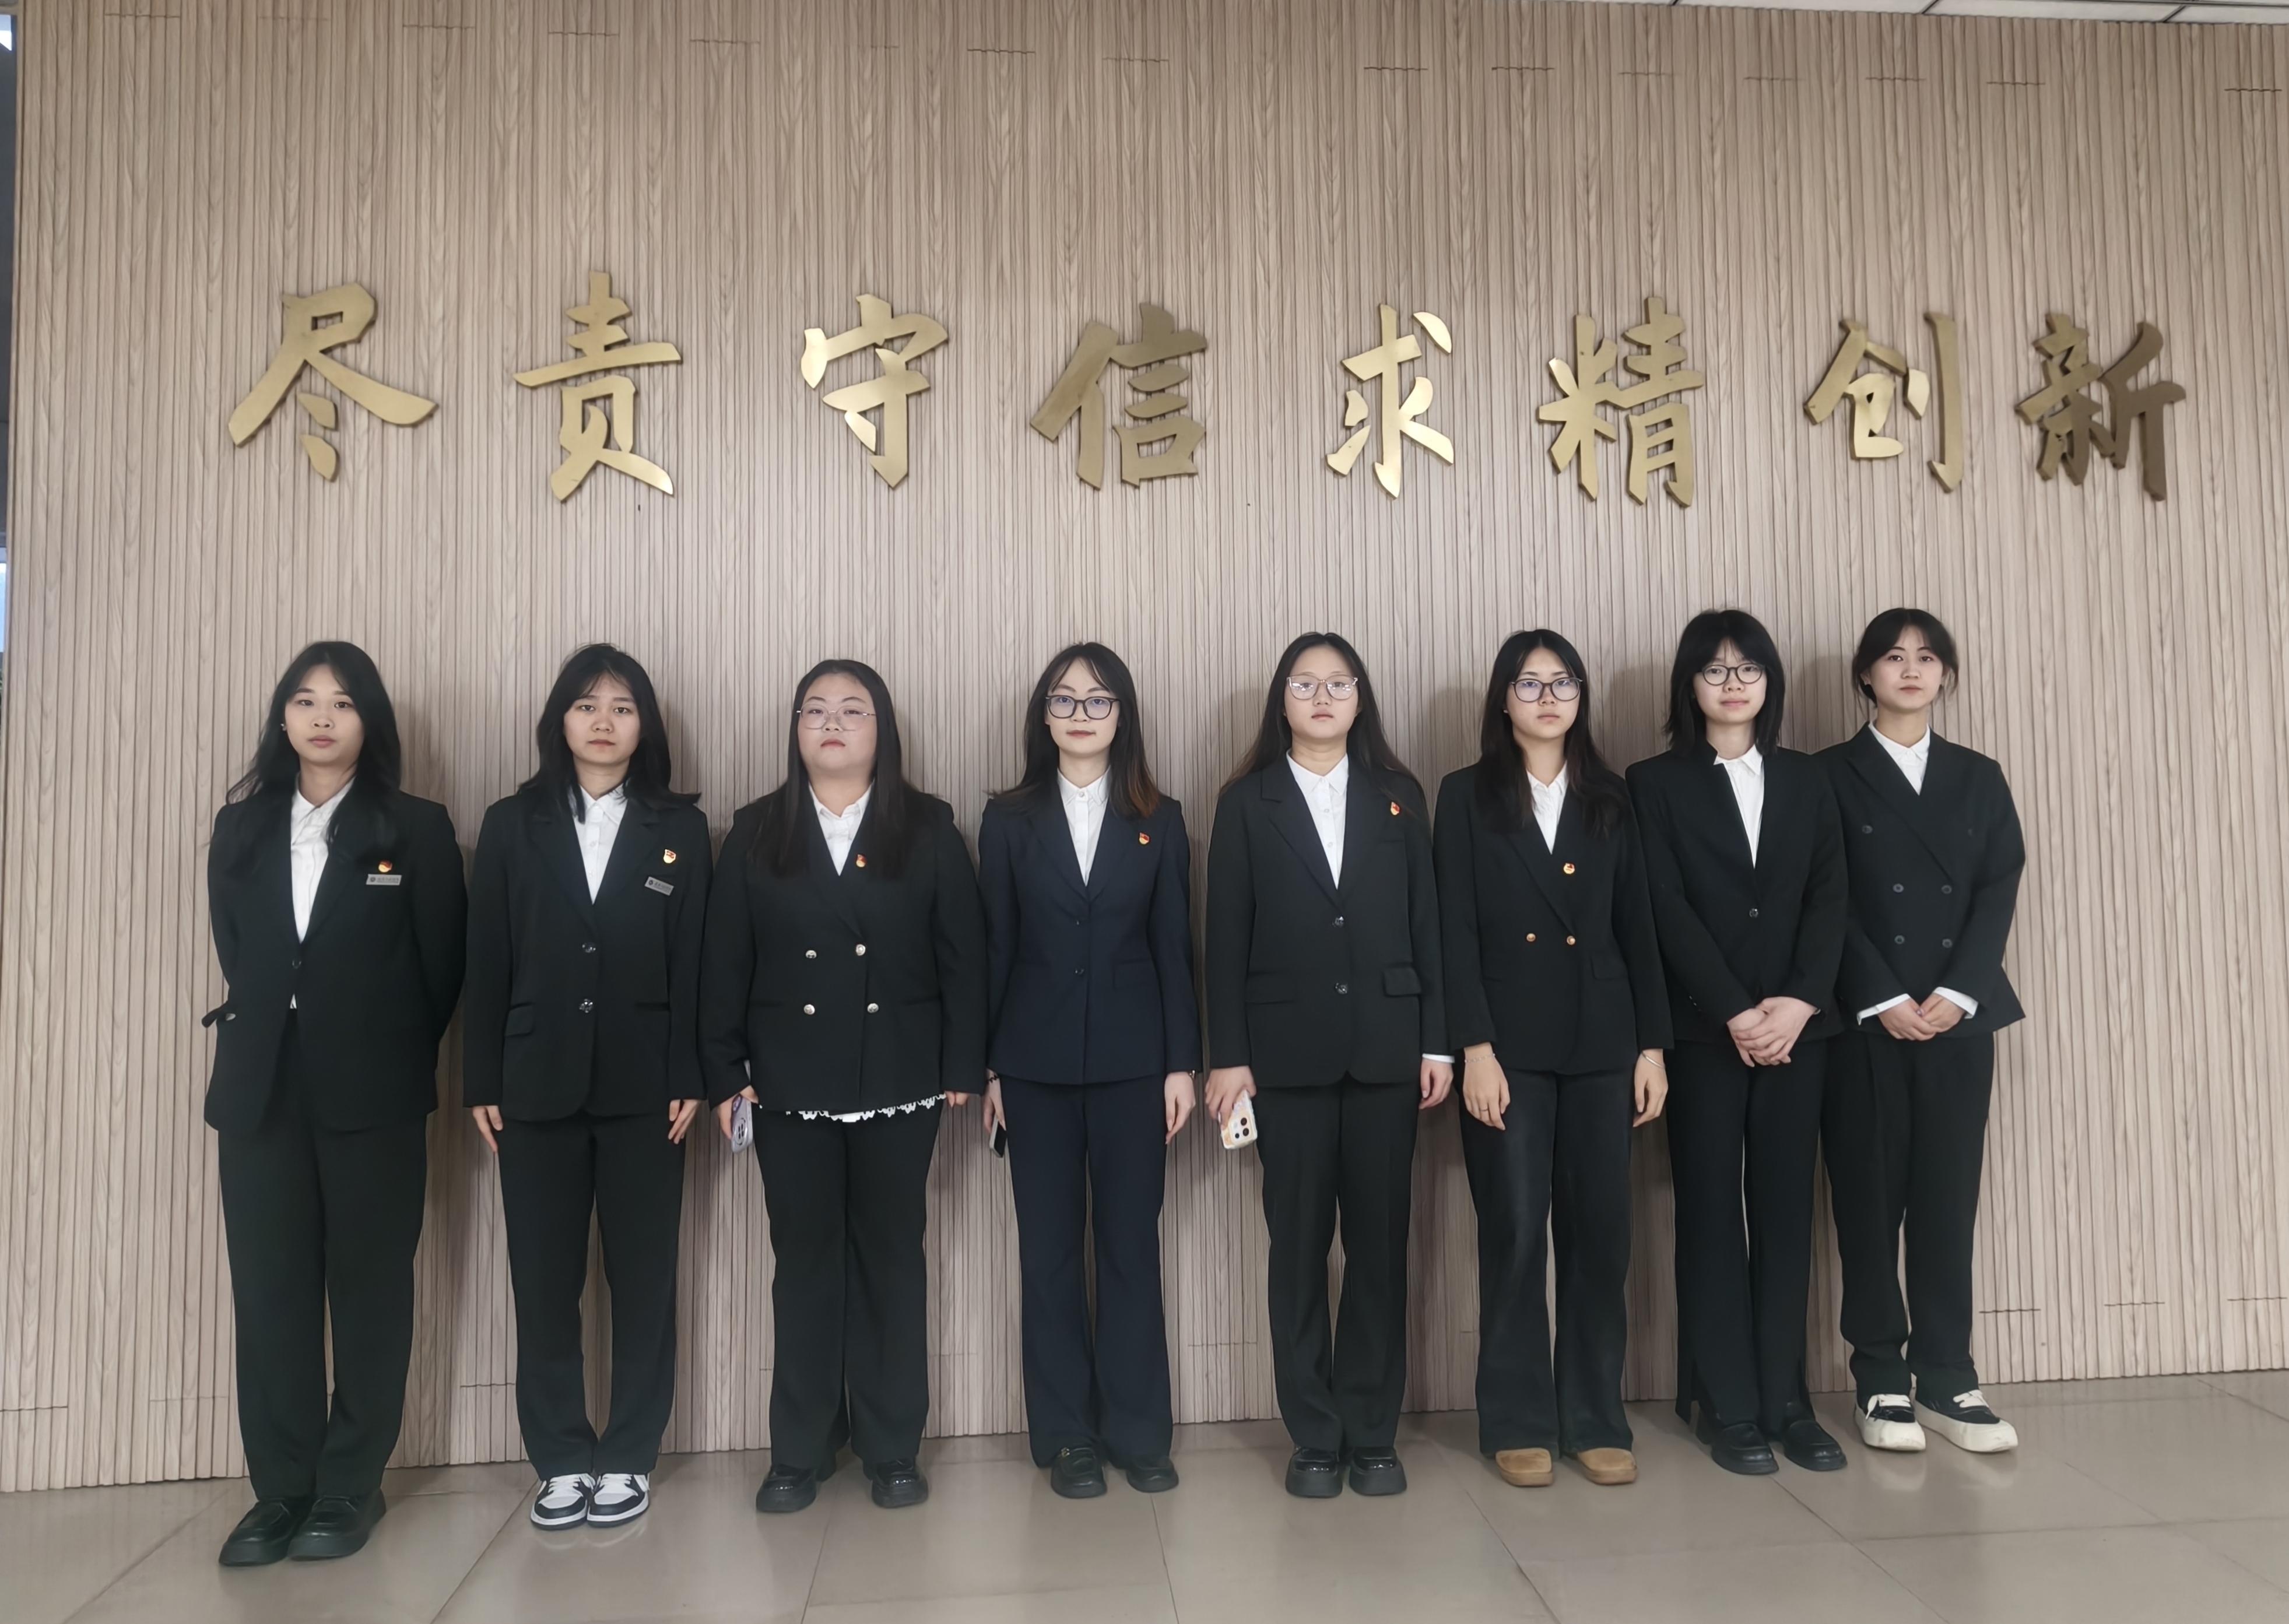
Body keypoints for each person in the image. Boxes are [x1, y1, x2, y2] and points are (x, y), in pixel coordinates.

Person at [700, 660, 987, 1513]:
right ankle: (801, 1446)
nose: (832, 723)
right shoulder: (756, 829)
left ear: (882, 730)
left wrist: (961, 1068)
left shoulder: (927, 826)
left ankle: (892, 1446)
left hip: (901, 1075)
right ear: (794, 729)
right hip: (785, 1082)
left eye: (852, 710)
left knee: (892, 1260)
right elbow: (724, 963)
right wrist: (724, 1074)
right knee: (804, 1263)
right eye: (815, 710)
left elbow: (963, 957)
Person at [203, 642, 466, 1565]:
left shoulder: (415, 827)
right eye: (305, 700)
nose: (322, 716)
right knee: (269, 1291)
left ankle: (351, 1482)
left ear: (370, 721)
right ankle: (281, 1489)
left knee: (369, 1288)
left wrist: (377, 1044)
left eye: (343, 702)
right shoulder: (240, 827)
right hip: (261, 1087)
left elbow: (441, 969)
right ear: (282, 718)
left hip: (374, 1092)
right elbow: (242, 950)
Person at [464, 645, 711, 1530]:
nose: (603, 721)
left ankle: (631, 1453)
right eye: (585, 705)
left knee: (644, 1281)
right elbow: (486, 957)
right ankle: (562, 1458)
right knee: (543, 1282)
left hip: (651, 1089)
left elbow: (697, 963)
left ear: (646, 725)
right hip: (533, 1084)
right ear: (559, 720)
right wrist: (482, 1075)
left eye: (622, 706)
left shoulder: (680, 827)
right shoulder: (510, 823)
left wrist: (693, 1073)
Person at [1203, 632, 1450, 1499]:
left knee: (1380, 1248)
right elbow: (1223, 937)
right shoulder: (1246, 802)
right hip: (1285, 1060)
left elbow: (1427, 925)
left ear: (1359, 697)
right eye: (1304, 684)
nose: (1321, 697)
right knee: (1299, 1249)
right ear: (1282, 699)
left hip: (1388, 1050)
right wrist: (1228, 1057)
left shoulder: (1399, 795)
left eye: (1337, 683)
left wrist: (1436, 1042)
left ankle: (1373, 1431)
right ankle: (1313, 1432)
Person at [1434, 630, 1668, 1491]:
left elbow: (1638, 925)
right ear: (1502, 698)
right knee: (1514, 1232)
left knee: (1601, 1236)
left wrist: (1651, 1045)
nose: (1546, 697)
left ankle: (1595, 1418)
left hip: (1604, 1042)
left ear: (1580, 698)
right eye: (1529, 683)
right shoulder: (1465, 794)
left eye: (1562, 682)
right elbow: (1454, 928)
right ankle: (1518, 1419)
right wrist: (1474, 1047)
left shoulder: (1611, 794)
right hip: (1507, 1049)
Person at [1627, 611, 1848, 1476]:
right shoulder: (1653, 783)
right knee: (1712, 1214)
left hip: (1800, 1033)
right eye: (1714, 669)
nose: (1731, 682)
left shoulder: (1807, 778)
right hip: (1704, 1034)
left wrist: (1796, 1003)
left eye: (1747, 668)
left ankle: (1787, 1401)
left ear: (1769, 682)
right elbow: (1663, 906)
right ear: (1689, 684)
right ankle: (1725, 1401)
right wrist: (1732, 1010)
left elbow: (1830, 896)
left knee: (1788, 1216)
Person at [977, 644, 1198, 1498]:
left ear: (1122, 716)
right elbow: (995, 948)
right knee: (1049, 1252)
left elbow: (1175, 950)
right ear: (1043, 715)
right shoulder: (1008, 818)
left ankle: (1139, 1432)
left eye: (1098, 700)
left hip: (1136, 1068)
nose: (1080, 713)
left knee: (1130, 1246)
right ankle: (1067, 1435)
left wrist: (1181, 1063)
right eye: (1064, 699)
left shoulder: (1160, 819)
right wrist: (991, 1066)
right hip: (1032, 1068)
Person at [1820, 609, 2025, 1454]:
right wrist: (1878, 994)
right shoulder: (1827, 775)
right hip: (1865, 1019)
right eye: (1893, 656)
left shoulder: (1978, 775)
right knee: (1868, 1201)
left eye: (1927, 657)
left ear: (1946, 675)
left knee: (1948, 1197)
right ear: (1865, 675)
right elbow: (1821, 895)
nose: (1911, 669)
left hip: (1957, 1017)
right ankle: (1878, 1375)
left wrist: (1958, 989)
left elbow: (1998, 884)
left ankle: (1946, 1374)